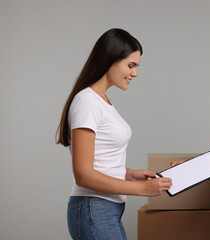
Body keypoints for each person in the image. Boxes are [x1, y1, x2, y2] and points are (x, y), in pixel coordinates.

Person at [56, 28, 172, 240]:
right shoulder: (88, 102)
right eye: (131, 65)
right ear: (110, 59)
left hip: (103, 209)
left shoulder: (101, 101)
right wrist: (142, 189)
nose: (135, 73)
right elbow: (83, 174)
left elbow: (99, 159)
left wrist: (128, 173)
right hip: (95, 207)